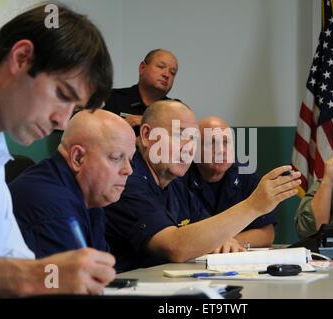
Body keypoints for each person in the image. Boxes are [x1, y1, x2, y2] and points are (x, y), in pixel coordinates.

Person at [0, 5, 116, 297]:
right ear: (22, 57)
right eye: (62, 95)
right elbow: (20, 273)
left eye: (74, 109)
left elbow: (13, 260)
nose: (62, 121)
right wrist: (30, 277)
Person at [105, 100, 301, 272]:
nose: (189, 147)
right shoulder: (127, 178)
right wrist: (253, 206)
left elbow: (209, 232)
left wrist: (226, 241)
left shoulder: (174, 185)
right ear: (147, 135)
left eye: (193, 139)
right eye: (180, 135)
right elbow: (175, 246)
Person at [10, 109, 136, 258]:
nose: (129, 170)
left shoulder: (91, 198)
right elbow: (58, 280)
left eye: (130, 159)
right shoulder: (51, 206)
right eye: (116, 157)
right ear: (77, 158)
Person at [183, 116, 277, 249]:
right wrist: (217, 242)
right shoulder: (180, 176)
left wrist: (226, 242)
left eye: (226, 142)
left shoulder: (245, 173)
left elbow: (266, 234)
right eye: (212, 143)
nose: (221, 150)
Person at [104, 49, 178, 132]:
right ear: (142, 68)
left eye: (172, 72)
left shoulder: (176, 109)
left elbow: (189, 135)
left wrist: (150, 123)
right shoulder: (111, 98)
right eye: (161, 67)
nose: (166, 75)